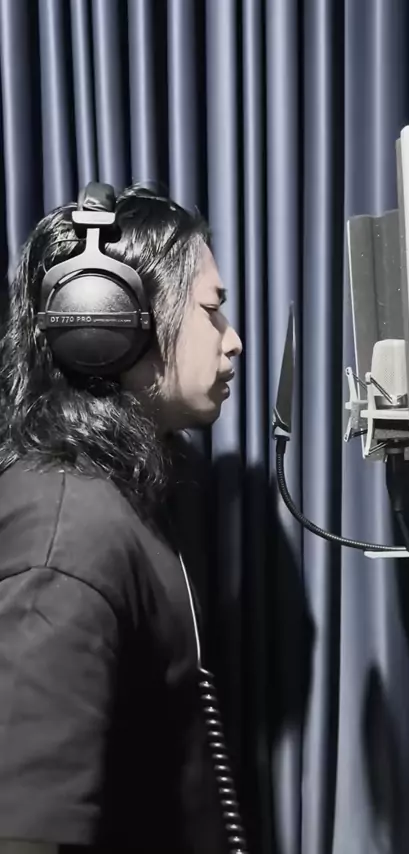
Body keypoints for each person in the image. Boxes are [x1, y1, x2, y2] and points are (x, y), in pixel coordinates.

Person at [0, 184, 243, 853]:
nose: (233, 342)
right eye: (211, 312)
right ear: (106, 323)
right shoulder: (64, 538)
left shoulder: (122, 498)